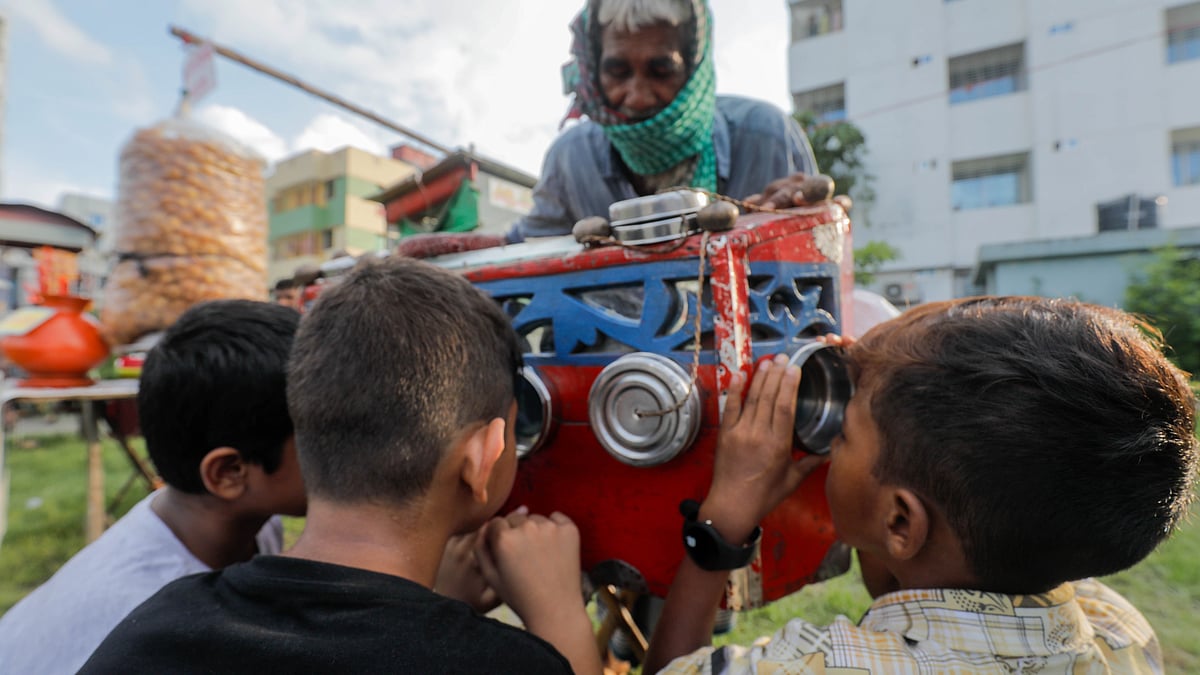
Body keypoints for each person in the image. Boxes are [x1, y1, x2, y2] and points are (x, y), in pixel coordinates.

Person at [80, 257, 601, 675]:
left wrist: (432, 603)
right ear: (481, 459)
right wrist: (560, 617)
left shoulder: (159, 620)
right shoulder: (507, 663)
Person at [643, 296, 1197, 674]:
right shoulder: (1117, 629)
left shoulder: (813, 666)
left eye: (845, 435)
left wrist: (723, 526)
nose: (831, 441)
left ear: (902, 521)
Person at [0, 300, 307, 675]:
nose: (344, 444)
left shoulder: (247, 523)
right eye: (319, 432)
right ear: (229, 472)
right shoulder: (148, 627)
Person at [396, 0, 821, 258]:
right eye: (617, 71)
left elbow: (818, 262)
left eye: (661, 71)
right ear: (593, 72)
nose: (636, 96)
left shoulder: (767, 138)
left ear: (695, 68)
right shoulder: (570, 158)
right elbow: (525, 247)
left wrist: (801, 221)